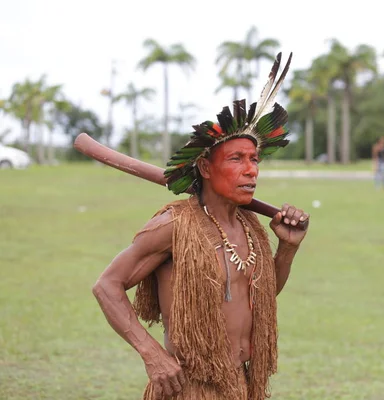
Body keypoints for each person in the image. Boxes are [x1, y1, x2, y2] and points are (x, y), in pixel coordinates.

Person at [91, 53, 309, 400]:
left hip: (244, 383)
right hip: (190, 388)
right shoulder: (174, 225)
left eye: (254, 160)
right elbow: (107, 286)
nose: (251, 170)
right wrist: (152, 355)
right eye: (236, 159)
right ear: (205, 169)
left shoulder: (250, 227)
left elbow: (261, 295)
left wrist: (287, 248)